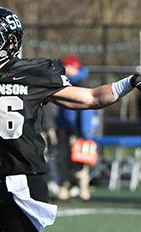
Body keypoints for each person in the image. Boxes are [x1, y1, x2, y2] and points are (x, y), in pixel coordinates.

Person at [0, 7, 141, 232]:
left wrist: (130, 81)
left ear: (10, 43)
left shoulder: (33, 74)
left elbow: (92, 98)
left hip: (24, 181)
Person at [56, 54, 99, 201]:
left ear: (74, 67)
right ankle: (64, 189)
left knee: (80, 161)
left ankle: (83, 190)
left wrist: (85, 133)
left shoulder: (82, 81)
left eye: (67, 66)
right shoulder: (62, 81)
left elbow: (87, 110)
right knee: (63, 160)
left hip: (79, 131)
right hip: (64, 129)